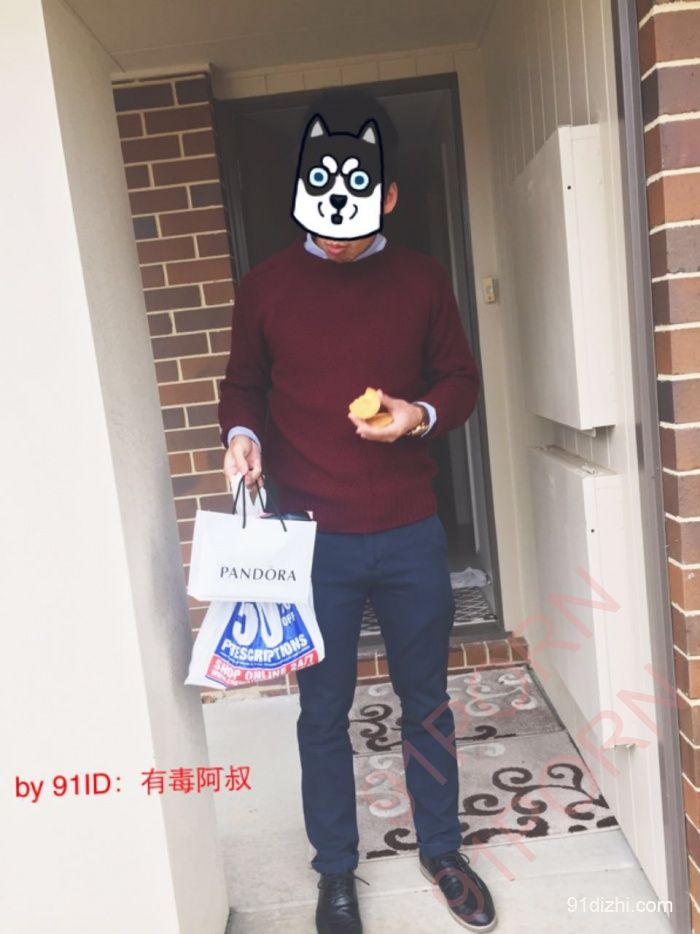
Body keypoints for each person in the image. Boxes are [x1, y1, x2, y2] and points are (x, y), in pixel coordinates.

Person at [217, 87, 497, 933]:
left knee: (426, 701)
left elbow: (461, 380)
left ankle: (442, 849)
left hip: (410, 529)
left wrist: (420, 414)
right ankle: (335, 871)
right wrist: (241, 436)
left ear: (390, 194)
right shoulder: (265, 287)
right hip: (312, 540)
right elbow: (243, 386)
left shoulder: (421, 280)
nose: (338, 223)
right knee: (321, 713)